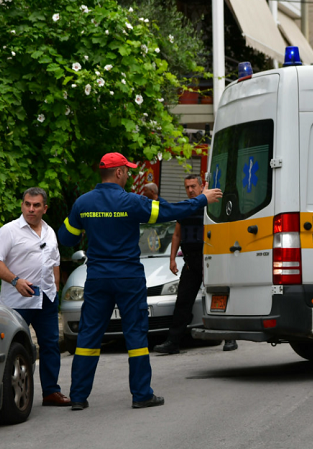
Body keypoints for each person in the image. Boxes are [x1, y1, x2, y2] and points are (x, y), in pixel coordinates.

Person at [58, 152, 222, 411]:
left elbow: (66, 238)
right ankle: (141, 394)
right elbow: (170, 211)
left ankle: (78, 397)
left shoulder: (83, 203)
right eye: (128, 171)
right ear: (120, 173)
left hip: (98, 278)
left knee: (89, 336)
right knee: (135, 335)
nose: (129, 175)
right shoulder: (131, 202)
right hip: (129, 278)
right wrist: (202, 199)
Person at [0, 187, 71, 407]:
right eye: (27, 204)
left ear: (45, 208)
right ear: (22, 205)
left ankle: (51, 392)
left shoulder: (50, 231)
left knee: (51, 345)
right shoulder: (9, 231)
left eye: (36, 205)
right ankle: (8, 395)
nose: (31, 209)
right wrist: (16, 281)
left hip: (46, 299)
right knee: (15, 348)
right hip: (17, 302)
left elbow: (55, 262)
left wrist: (54, 289)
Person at [154, 175, 237, 354]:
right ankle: (173, 342)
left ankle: (230, 338)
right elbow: (177, 235)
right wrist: (172, 259)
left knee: (219, 300)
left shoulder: (212, 205)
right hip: (191, 262)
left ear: (201, 187)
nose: (190, 190)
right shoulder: (185, 207)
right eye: (187, 187)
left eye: (193, 186)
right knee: (183, 302)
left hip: (211, 261)